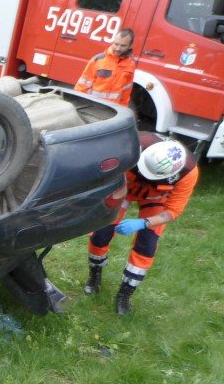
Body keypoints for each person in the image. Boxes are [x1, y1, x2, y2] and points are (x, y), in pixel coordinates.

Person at [84, 132, 198, 315]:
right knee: (101, 233)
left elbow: (172, 211)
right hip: (124, 188)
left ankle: (125, 294)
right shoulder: (131, 145)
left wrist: (144, 223)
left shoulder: (188, 173)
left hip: (155, 198)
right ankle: (94, 275)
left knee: (147, 245)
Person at [74, 28, 136, 106]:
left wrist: (123, 108)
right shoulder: (98, 60)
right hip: (92, 106)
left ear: (130, 46)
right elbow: (82, 85)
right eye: (116, 44)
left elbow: (126, 91)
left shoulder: (131, 64)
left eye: (123, 46)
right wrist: (76, 103)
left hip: (113, 108)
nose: (118, 48)